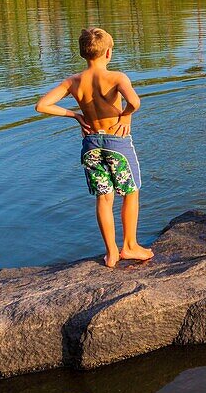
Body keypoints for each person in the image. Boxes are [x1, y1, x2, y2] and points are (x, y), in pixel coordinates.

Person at [35, 27, 153, 268]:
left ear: (82, 53)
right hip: (116, 143)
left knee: (104, 197)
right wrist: (126, 117)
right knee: (131, 192)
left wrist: (76, 115)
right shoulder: (117, 78)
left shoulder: (73, 81)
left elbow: (42, 105)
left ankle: (111, 253)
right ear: (108, 53)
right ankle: (129, 246)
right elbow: (134, 102)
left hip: (90, 146)